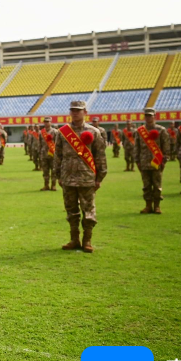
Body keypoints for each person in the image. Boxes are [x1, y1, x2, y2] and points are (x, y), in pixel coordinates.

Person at [54, 101, 107, 252]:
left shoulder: (94, 132)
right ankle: (74, 239)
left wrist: (99, 178)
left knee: (88, 211)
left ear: (85, 112)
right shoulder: (63, 132)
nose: (75, 113)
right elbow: (58, 155)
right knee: (71, 210)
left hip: (87, 178)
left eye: (78, 110)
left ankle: (87, 240)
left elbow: (100, 157)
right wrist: (58, 175)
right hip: (68, 177)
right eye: (73, 110)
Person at [134, 108, 170, 214]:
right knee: (146, 186)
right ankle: (148, 206)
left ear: (155, 116)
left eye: (150, 115)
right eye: (146, 116)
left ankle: (157, 206)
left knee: (157, 185)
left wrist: (164, 161)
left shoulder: (161, 130)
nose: (148, 117)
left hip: (157, 163)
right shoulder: (140, 131)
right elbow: (137, 147)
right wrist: (137, 161)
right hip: (144, 163)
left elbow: (166, 147)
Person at [38, 117, 59, 191]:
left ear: (51, 122)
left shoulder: (55, 132)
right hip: (44, 154)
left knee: (53, 170)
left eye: (48, 122)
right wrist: (40, 153)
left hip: (53, 154)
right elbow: (40, 144)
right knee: (45, 171)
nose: (46, 123)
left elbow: (58, 144)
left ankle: (53, 185)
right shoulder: (41, 132)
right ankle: (46, 185)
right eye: (45, 122)